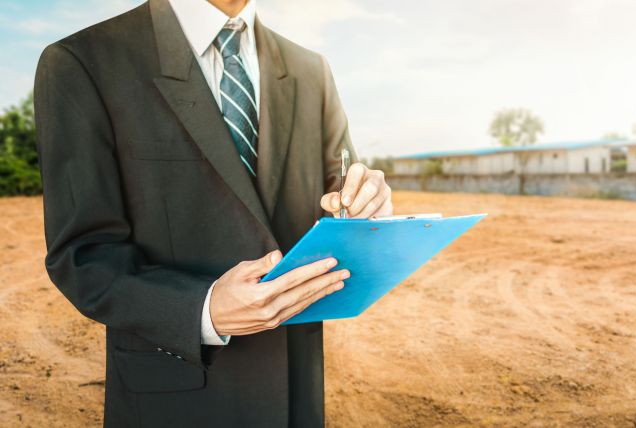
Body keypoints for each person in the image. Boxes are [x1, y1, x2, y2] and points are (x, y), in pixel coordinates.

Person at [33, 0, 392, 426]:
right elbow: (82, 255)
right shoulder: (82, 62)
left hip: (296, 393)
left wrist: (366, 206)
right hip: (175, 395)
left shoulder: (311, 69)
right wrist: (201, 310)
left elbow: (339, 194)